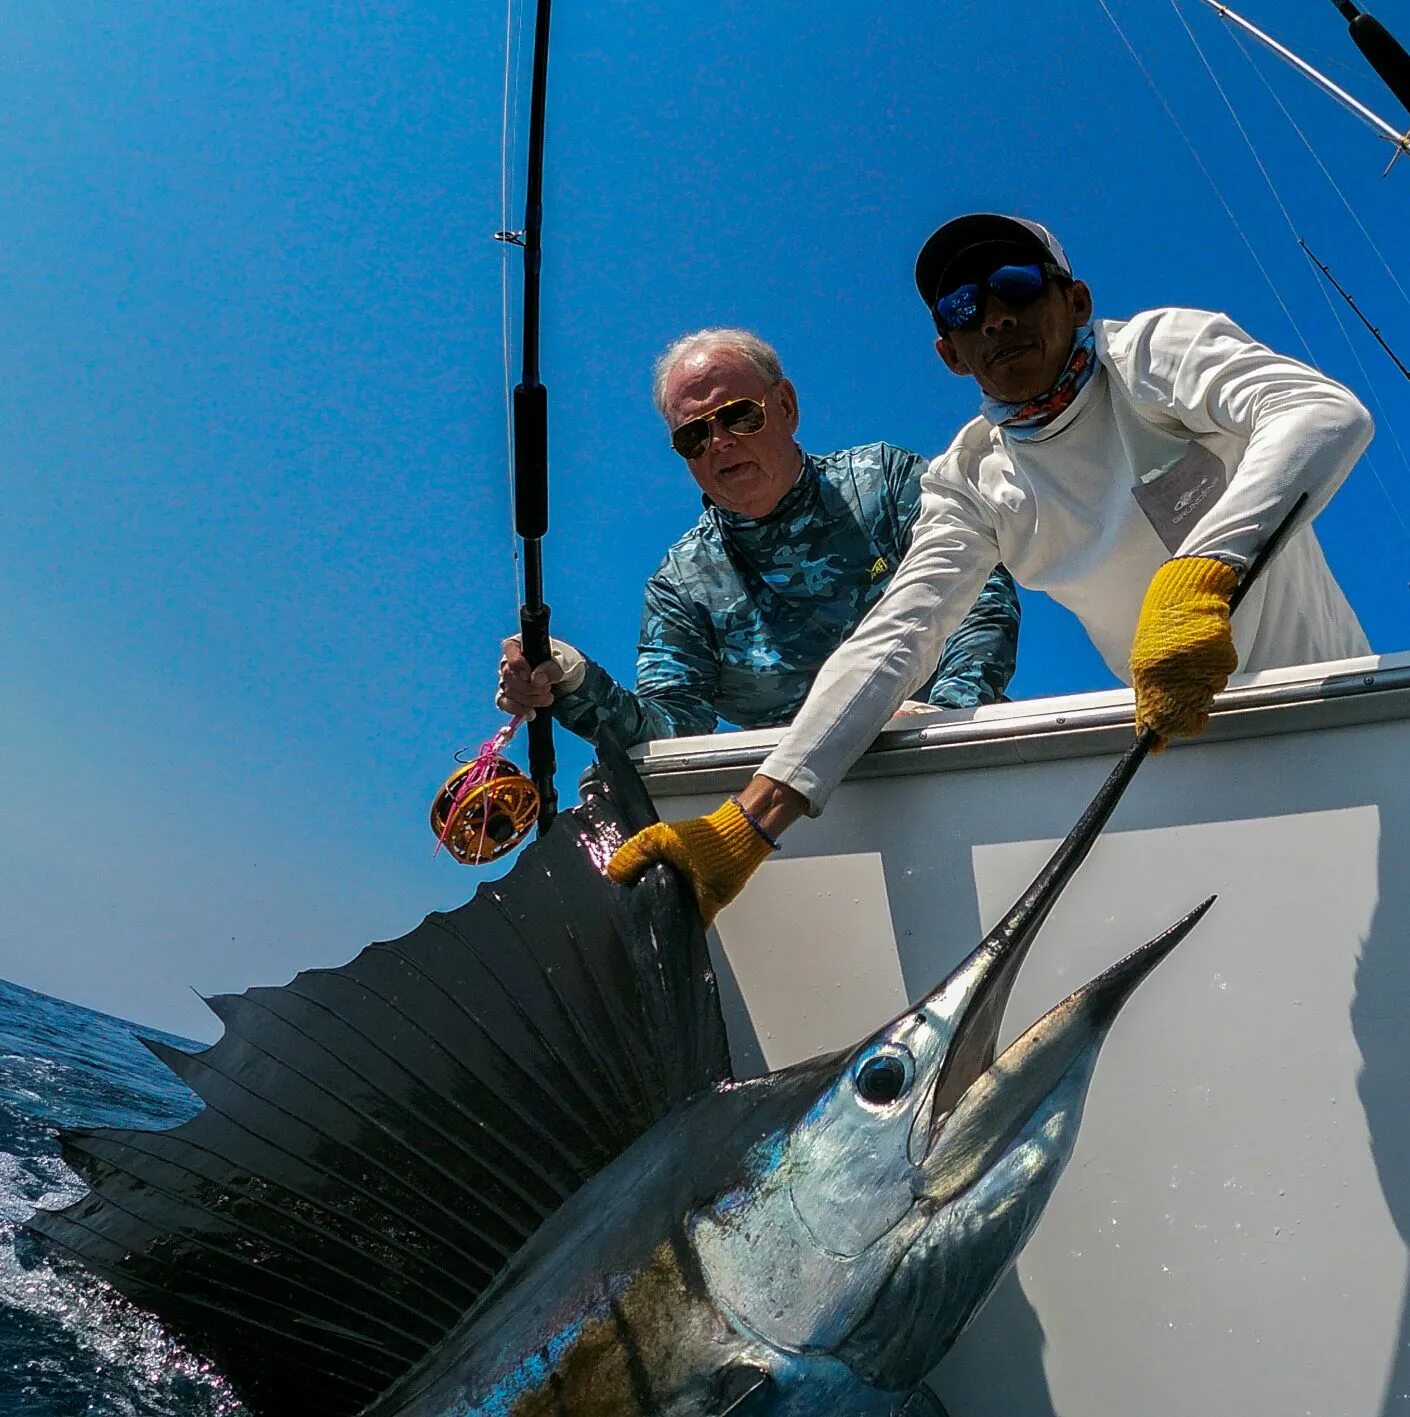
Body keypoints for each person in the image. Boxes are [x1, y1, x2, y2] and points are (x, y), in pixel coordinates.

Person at [608, 213, 1373, 922]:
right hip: (1193, 747)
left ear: (1075, 300)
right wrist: (749, 822)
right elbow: (896, 636)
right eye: (963, 308)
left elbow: (1321, 413)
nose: (995, 317)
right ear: (948, 353)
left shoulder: (1151, 355)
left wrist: (1202, 571)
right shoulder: (972, 479)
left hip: (1344, 714)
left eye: (1016, 286)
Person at [498, 327, 1020, 745]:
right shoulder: (680, 585)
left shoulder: (883, 482)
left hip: (943, 750)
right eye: (694, 435)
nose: (720, 443)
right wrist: (571, 680)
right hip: (788, 803)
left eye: (738, 416)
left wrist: (945, 716)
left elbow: (980, 595)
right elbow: (672, 729)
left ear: (787, 406)